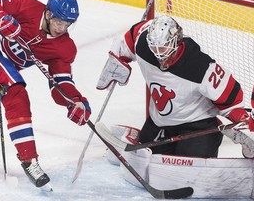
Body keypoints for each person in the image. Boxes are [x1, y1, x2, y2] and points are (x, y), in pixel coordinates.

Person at [0, 0, 91, 189]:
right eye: (59, 22)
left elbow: (61, 83)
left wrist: (74, 101)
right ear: (49, 14)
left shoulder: (64, 47)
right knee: (16, 92)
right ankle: (29, 159)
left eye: (68, 24)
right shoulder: (27, 7)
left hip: (0, 70)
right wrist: (0, 17)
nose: (62, 28)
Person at [97, 14, 252, 158]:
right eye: (155, 49)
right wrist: (118, 58)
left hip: (198, 126)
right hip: (161, 122)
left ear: (178, 42)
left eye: (165, 49)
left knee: (190, 165)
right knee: (151, 161)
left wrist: (243, 121)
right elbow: (130, 37)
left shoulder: (200, 66)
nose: (160, 56)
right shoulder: (144, 45)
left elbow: (232, 97)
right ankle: (142, 136)